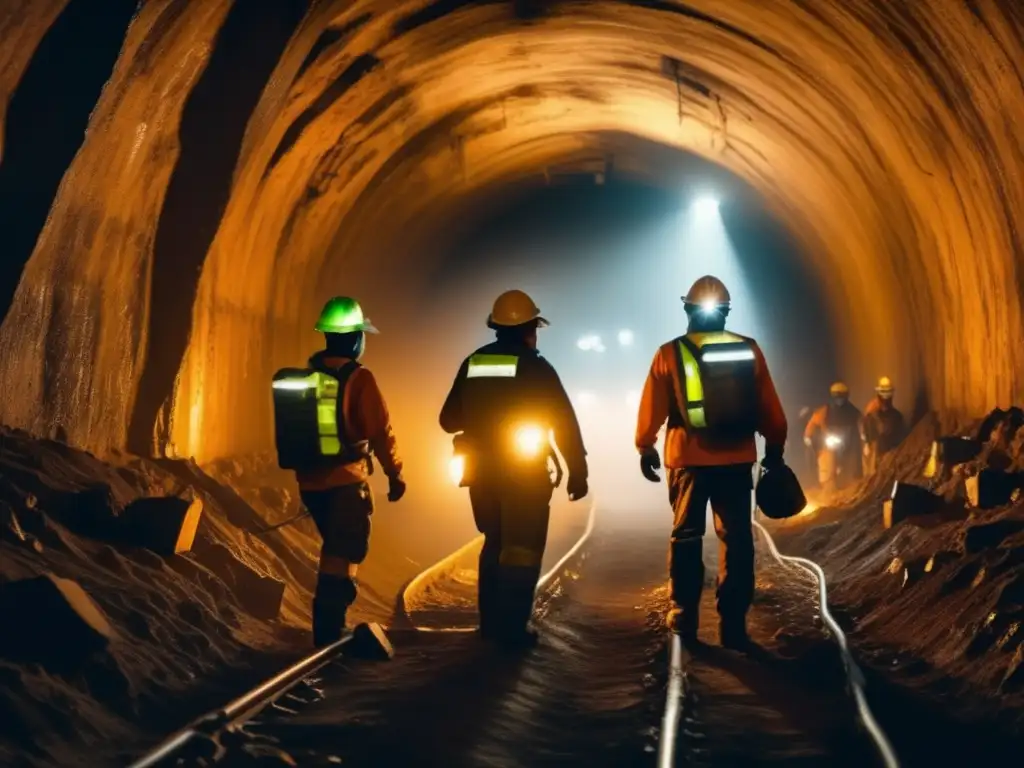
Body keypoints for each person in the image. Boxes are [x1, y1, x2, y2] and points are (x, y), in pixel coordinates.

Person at [635, 275, 788, 649]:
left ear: (688, 309)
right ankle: (732, 623)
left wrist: (645, 446)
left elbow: (652, 409)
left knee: (686, 535)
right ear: (726, 312)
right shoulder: (748, 349)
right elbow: (770, 409)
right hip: (736, 460)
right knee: (736, 539)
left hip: (687, 460)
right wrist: (774, 449)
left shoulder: (669, 352)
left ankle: (684, 614)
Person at [440, 289, 588, 648]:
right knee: (521, 547)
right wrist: (577, 471)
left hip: (481, 472)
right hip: (524, 473)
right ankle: (512, 630)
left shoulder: (473, 362)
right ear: (528, 329)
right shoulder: (538, 367)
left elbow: (448, 420)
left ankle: (490, 626)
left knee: (494, 542)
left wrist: (482, 416)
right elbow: (564, 422)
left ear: (496, 327)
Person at [274, 296, 406, 647]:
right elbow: (380, 430)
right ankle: (328, 634)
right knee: (342, 551)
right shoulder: (360, 378)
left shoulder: (310, 375)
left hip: (310, 482)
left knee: (337, 548)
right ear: (355, 339)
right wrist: (395, 474)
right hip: (345, 481)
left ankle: (329, 630)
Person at [803, 381, 862, 493]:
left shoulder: (853, 412)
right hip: (829, 442)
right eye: (837, 395)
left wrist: (863, 437)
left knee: (853, 462)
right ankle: (825, 487)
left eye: (842, 395)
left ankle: (850, 485)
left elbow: (861, 423)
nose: (839, 399)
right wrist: (808, 437)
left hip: (847, 443)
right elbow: (812, 424)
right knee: (826, 461)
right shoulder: (825, 411)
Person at [860, 376, 906, 476]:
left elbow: (900, 437)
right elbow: (865, 428)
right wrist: (866, 443)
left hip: (890, 453)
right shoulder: (871, 414)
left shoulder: (896, 416)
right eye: (883, 392)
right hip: (876, 451)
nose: (886, 396)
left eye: (888, 392)